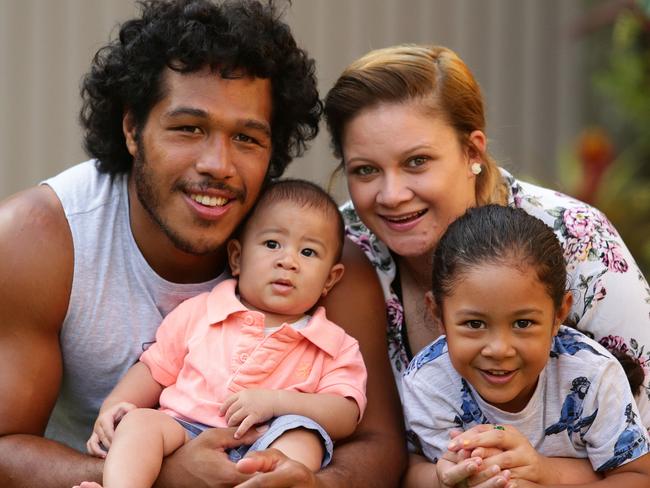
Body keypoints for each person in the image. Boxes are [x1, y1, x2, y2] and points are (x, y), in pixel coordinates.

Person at [0, 1, 406, 487]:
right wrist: (168, 477)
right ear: (132, 128)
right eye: (189, 128)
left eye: (247, 138)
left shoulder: (315, 257)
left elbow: (380, 445)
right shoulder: (41, 238)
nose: (218, 164)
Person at [323, 44, 650, 486]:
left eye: (417, 161)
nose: (391, 194)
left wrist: (538, 472)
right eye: (365, 170)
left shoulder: (575, 239)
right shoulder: (340, 251)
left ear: (473, 151)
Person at [74, 179, 367, 488]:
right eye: (271, 244)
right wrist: (114, 406)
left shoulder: (334, 344)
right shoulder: (201, 312)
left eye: (308, 252)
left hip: (270, 438)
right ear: (237, 258)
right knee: (140, 423)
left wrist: (277, 402)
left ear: (329, 280)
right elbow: (153, 370)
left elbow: (346, 414)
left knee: (304, 437)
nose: (288, 261)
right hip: (183, 430)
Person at [402, 204, 650, 488]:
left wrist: (542, 473)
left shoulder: (593, 377)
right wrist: (444, 478)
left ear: (558, 314)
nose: (499, 349)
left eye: (522, 324)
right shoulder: (429, 383)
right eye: (474, 324)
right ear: (438, 315)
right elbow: (413, 471)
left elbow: (638, 476)